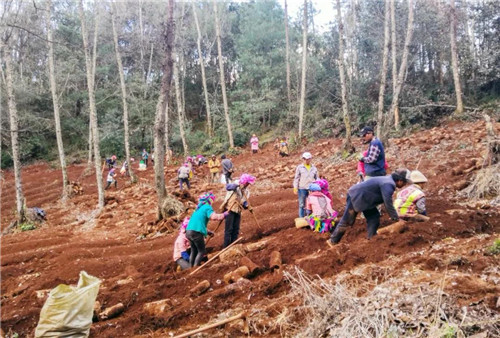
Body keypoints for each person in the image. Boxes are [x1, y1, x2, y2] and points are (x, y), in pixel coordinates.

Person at [327, 169, 411, 246]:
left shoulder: (388, 180)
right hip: (357, 196)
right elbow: (388, 203)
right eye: (405, 182)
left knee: (374, 218)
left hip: (365, 199)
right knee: (347, 220)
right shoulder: (389, 184)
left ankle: (371, 239)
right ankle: (332, 241)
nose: (404, 185)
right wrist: (396, 218)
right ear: (400, 181)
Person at [186, 192, 228, 267]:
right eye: (211, 200)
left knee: (194, 250)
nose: (212, 202)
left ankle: (190, 267)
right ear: (208, 200)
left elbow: (199, 223)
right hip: (196, 232)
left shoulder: (198, 209)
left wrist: (208, 232)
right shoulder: (207, 207)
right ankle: (195, 268)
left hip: (188, 231)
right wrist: (224, 215)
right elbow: (213, 217)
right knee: (201, 251)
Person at [220, 174, 256, 248]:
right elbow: (228, 187)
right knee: (229, 229)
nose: (248, 184)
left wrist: (247, 206)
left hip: (238, 210)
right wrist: (237, 185)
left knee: (236, 229)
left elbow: (244, 201)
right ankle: (225, 247)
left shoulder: (246, 191)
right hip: (230, 209)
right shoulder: (235, 184)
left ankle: (234, 246)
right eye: (247, 183)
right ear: (244, 181)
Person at [293, 152, 319, 217]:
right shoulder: (299, 168)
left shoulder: (314, 168)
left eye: (307, 159)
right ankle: (302, 218)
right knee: (302, 204)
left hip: (311, 189)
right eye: (304, 159)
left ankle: (312, 217)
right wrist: (295, 187)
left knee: (312, 203)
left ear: (310, 159)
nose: (306, 160)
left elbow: (317, 179)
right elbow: (296, 178)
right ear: (303, 159)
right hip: (302, 188)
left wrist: (319, 186)